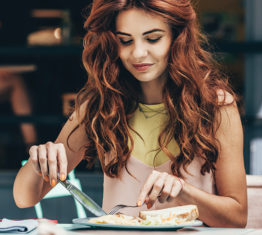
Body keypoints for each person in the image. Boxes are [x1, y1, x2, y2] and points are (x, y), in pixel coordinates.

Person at [13, 0, 247, 227]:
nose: (138, 53)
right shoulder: (100, 106)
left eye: (153, 38)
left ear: (177, 37)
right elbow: (24, 199)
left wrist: (184, 192)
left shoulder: (215, 106)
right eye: (125, 41)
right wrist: (38, 162)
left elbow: (237, 217)